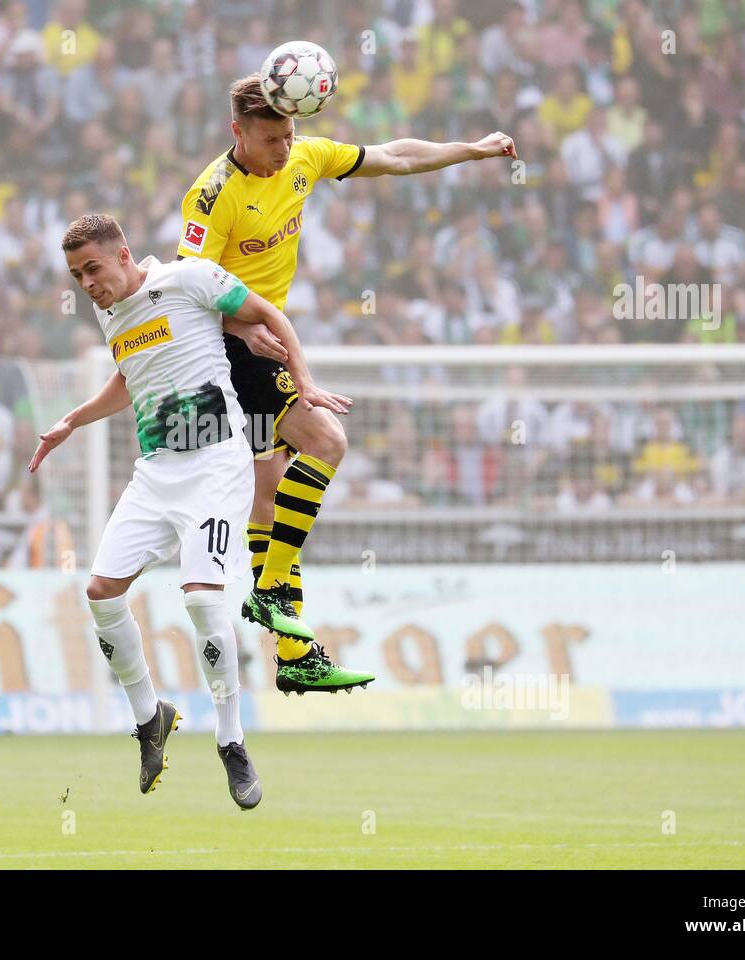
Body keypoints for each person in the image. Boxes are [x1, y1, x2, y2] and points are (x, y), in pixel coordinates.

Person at [176, 72, 514, 690]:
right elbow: (184, 289)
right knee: (326, 442)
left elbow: (395, 156)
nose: (284, 147)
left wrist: (472, 149)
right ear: (238, 132)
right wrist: (241, 326)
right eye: (271, 137)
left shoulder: (305, 158)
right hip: (228, 347)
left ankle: (292, 655)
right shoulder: (211, 195)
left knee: (268, 495)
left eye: (290, 133)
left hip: (261, 341)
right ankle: (273, 588)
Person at [29, 214, 348, 808]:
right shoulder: (109, 313)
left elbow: (270, 316)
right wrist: (72, 419)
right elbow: (130, 377)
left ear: (123, 255)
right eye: (76, 276)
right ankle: (151, 716)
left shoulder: (190, 278)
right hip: (155, 473)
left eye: (93, 269)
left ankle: (231, 741)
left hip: (216, 466)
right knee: (100, 591)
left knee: (202, 598)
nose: (87, 284)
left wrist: (301, 381)